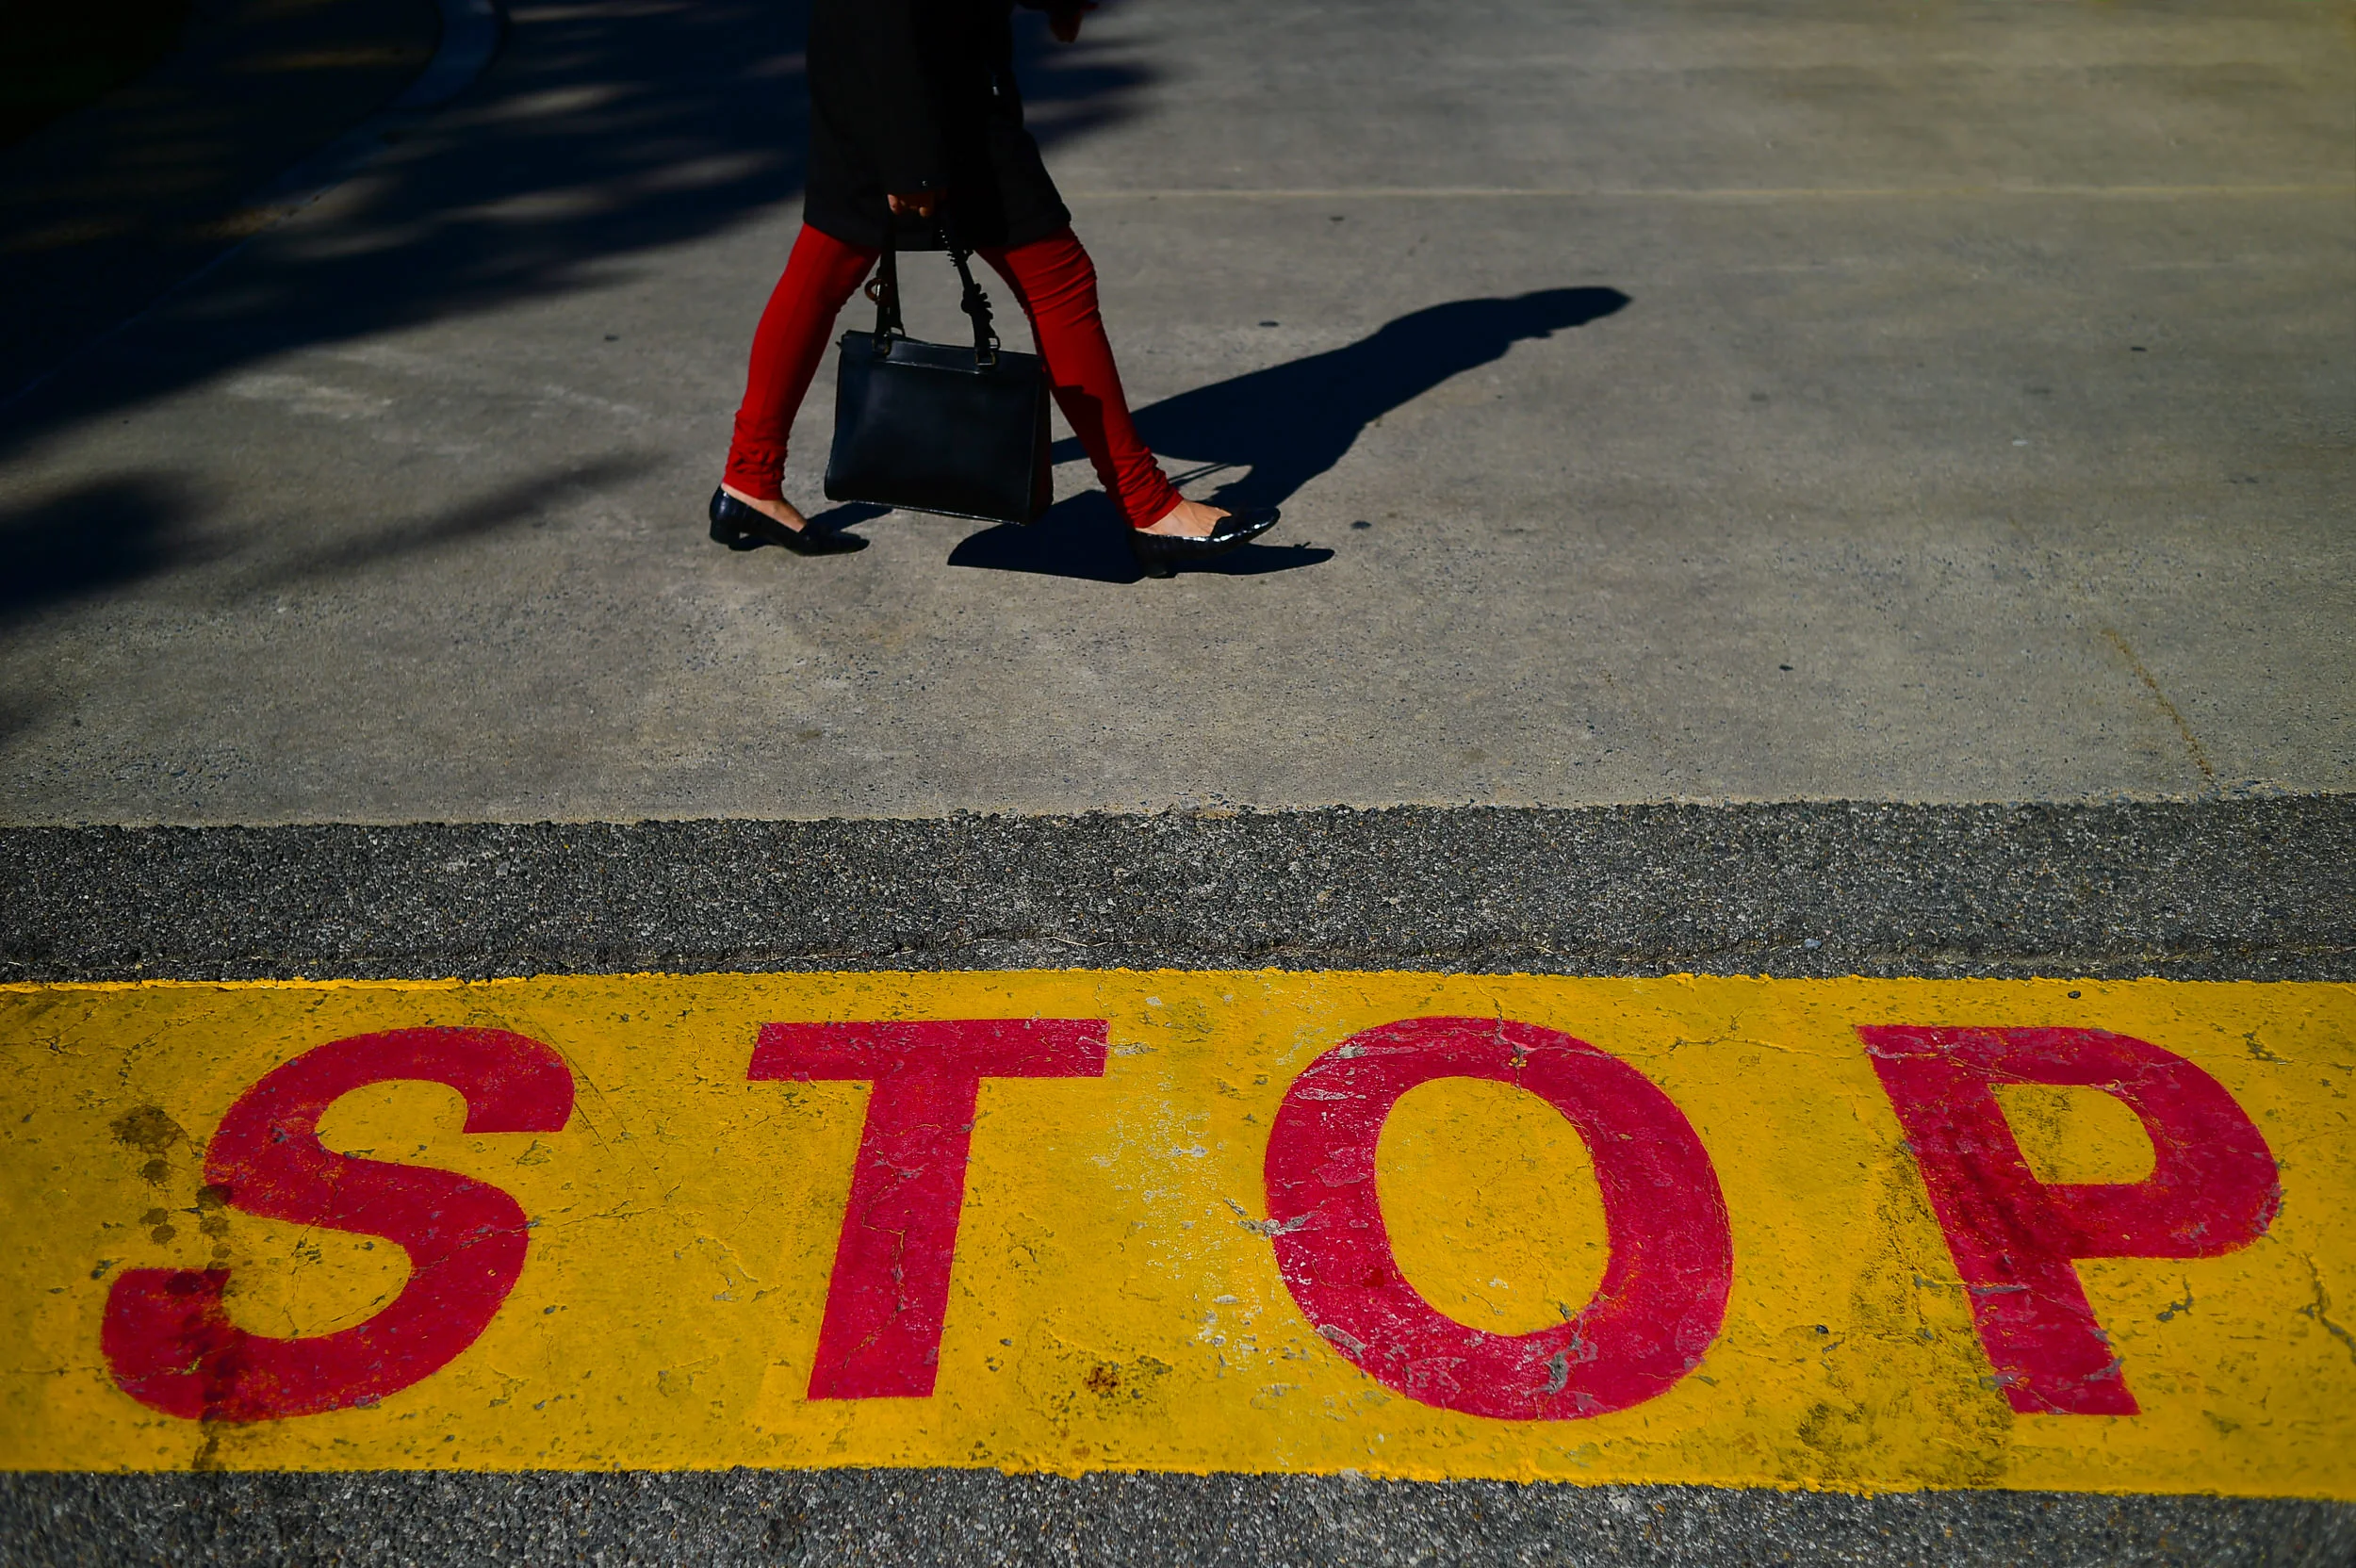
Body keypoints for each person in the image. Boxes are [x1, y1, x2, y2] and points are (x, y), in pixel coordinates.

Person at [710, 0, 1279, 577]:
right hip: (925, 88)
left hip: (883, 77)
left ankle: (749, 479)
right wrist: (910, 159)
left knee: (824, 266)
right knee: (1058, 279)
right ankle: (1148, 507)